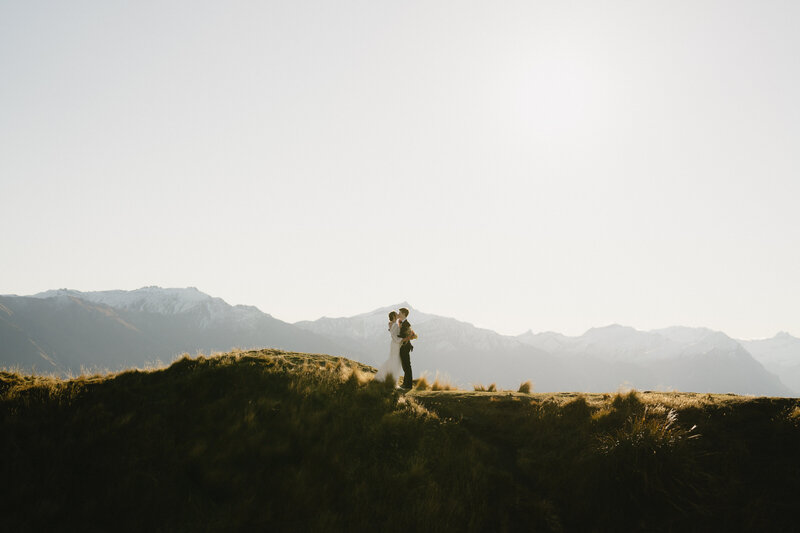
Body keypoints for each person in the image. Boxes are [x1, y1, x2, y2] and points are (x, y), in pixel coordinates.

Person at [374, 311, 403, 385]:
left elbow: (393, 335)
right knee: (395, 360)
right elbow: (395, 337)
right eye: (396, 314)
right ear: (393, 316)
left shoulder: (391, 324)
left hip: (393, 344)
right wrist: (404, 339)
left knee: (392, 359)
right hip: (396, 344)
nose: (398, 315)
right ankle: (391, 378)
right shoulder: (395, 325)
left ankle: (387, 376)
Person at [397, 307, 416, 389]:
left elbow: (405, 336)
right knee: (405, 366)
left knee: (407, 366)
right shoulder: (402, 323)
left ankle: (408, 385)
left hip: (405, 347)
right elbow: (407, 335)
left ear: (404, 314)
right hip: (403, 346)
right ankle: (406, 383)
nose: (399, 314)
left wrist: (395, 334)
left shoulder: (406, 324)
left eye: (400, 313)